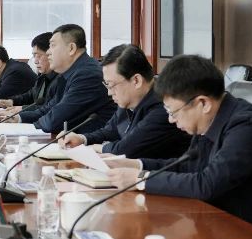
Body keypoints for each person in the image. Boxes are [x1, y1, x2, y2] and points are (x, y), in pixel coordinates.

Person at [106, 55, 252, 239]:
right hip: (227, 228)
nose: (171, 120)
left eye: (173, 112)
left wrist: (140, 180)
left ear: (203, 103)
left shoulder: (248, 128)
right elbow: (188, 166)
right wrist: (136, 165)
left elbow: (207, 184)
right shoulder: (212, 120)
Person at [60, 44, 190, 160]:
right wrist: (82, 139)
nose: (109, 93)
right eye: (107, 85)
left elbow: (125, 150)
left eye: (111, 85)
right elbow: (110, 131)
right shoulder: (129, 100)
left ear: (136, 81)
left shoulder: (164, 106)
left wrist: (96, 148)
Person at [10, 24, 115, 133]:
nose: (48, 52)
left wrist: (34, 123)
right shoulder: (67, 73)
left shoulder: (87, 75)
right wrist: (18, 118)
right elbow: (49, 109)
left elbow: (53, 121)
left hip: (93, 141)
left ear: (71, 48)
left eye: (52, 46)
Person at [0, 32, 58, 111]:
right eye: (34, 56)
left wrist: (21, 109)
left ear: (51, 53)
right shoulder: (43, 76)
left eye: (38, 56)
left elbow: (49, 108)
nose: (35, 61)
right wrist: (11, 101)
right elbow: (31, 95)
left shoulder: (61, 79)